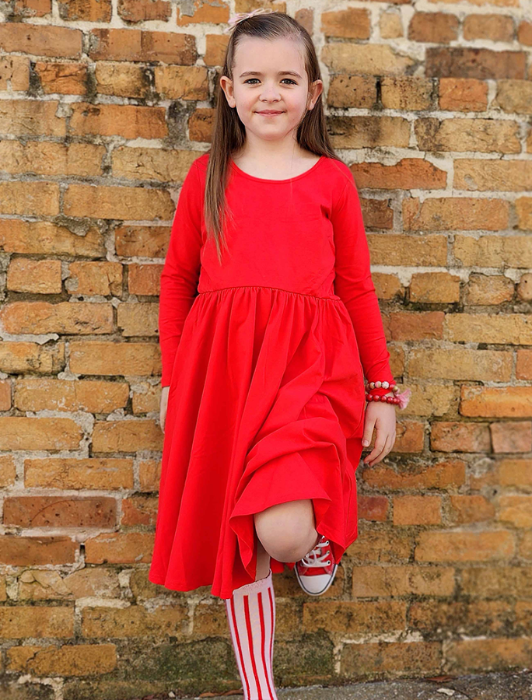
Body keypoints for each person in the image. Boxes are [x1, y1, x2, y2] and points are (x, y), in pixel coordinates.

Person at [148, 8, 411, 699]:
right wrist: (178, 382)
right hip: (226, 378)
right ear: (228, 90)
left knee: (285, 533)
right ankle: (259, 691)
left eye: (288, 79)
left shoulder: (331, 182)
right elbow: (178, 281)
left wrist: (380, 391)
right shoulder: (207, 177)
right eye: (254, 78)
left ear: (312, 94)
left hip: (307, 376)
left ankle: (318, 540)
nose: (271, 93)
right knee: (243, 537)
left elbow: (355, 287)